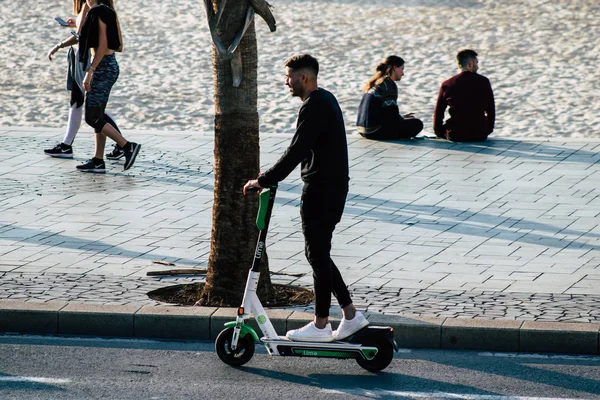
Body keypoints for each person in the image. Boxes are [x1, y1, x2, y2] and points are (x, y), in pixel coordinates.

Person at [243, 54, 369, 343]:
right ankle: (350, 316)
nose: (286, 82)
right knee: (319, 253)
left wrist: (263, 180)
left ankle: (321, 324)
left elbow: (297, 150)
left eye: (289, 76)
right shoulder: (326, 99)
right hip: (332, 187)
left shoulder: (314, 106)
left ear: (303, 77)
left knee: (316, 254)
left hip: (322, 190)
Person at [45, 0, 125, 161]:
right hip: (79, 58)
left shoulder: (97, 9)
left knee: (92, 109)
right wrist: (71, 31)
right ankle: (72, 146)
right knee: (80, 102)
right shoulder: (87, 8)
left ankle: (122, 144)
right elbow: (85, 35)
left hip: (88, 60)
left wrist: (90, 70)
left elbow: (101, 43)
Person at [76, 0, 140, 172]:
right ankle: (98, 160)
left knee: (92, 118)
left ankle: (127, 146)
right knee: (99, 115)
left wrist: (90, 71)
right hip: (109, 66)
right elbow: (118, 46)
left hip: (102, 68)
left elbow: (103, 45)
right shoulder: (108, 12)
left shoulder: (99, 12)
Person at [433, 49, 495, 142]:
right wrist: (487, 129)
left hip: (456, 133)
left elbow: (438, 113)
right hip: (479, 133)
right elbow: (491, 109)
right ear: (470, 63)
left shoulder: (447, 84)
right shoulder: (483, 81)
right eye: (476, 63)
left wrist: (439, 132)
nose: (477, 67)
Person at [356, 55, 423, 140]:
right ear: (395, 68)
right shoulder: (388, 84)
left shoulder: (376, 82)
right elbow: (391, 116)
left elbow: (383, 112)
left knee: (407, 120)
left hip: (363, 130)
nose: (403, 73)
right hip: (375, 131)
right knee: (417, 123)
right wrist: (402, 119)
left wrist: (402, 117)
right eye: (402, 69)